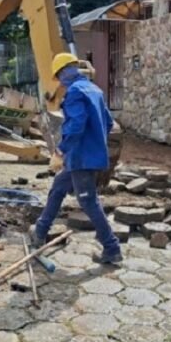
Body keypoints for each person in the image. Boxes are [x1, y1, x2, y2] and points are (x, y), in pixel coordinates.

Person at [31, 53, 123, 264]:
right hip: (86, 155)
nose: (59, 82)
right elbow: (109, 123)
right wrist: (95, 141)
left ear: (64, 72)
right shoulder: (95, 90)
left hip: (81, 157)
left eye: (58, 76)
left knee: (88, 201)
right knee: (58, 188)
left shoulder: (74, 92)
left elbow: (76, 125)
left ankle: (112, 248)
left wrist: (60, 151)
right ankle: (40, 232)